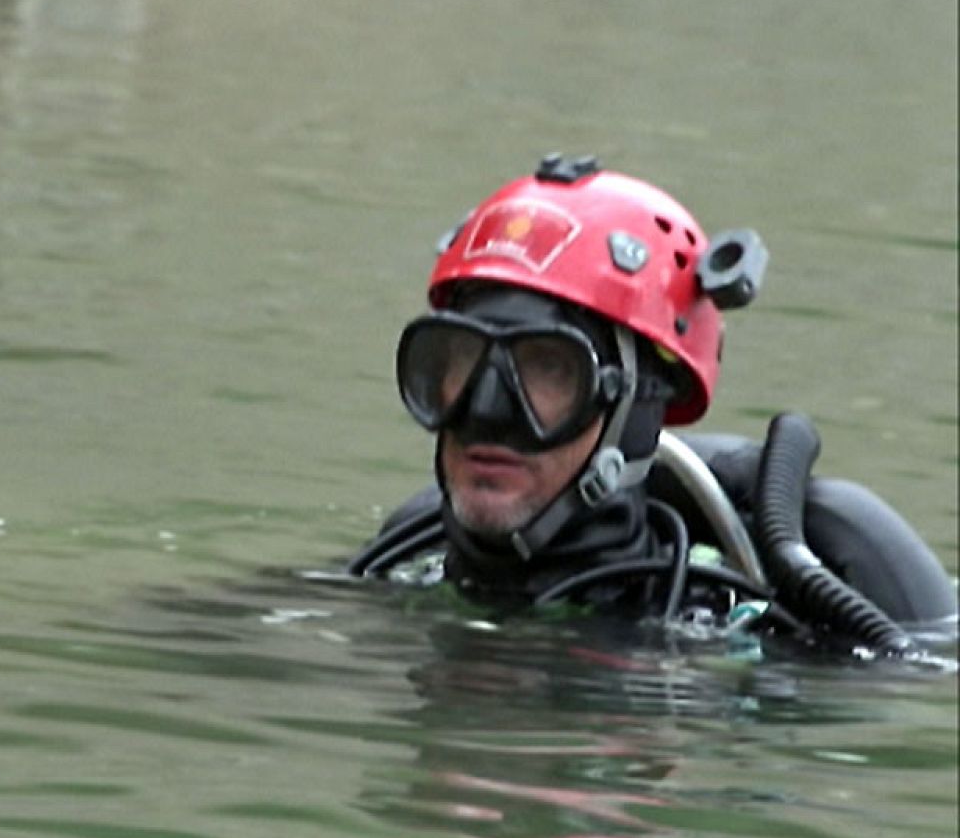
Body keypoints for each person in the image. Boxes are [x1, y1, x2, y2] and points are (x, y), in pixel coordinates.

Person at [347, 154, 957, 657]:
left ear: (637, 404)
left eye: (549, 368)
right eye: (459, 360)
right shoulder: (401, 564)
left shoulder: (727, 624)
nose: (486, 410)